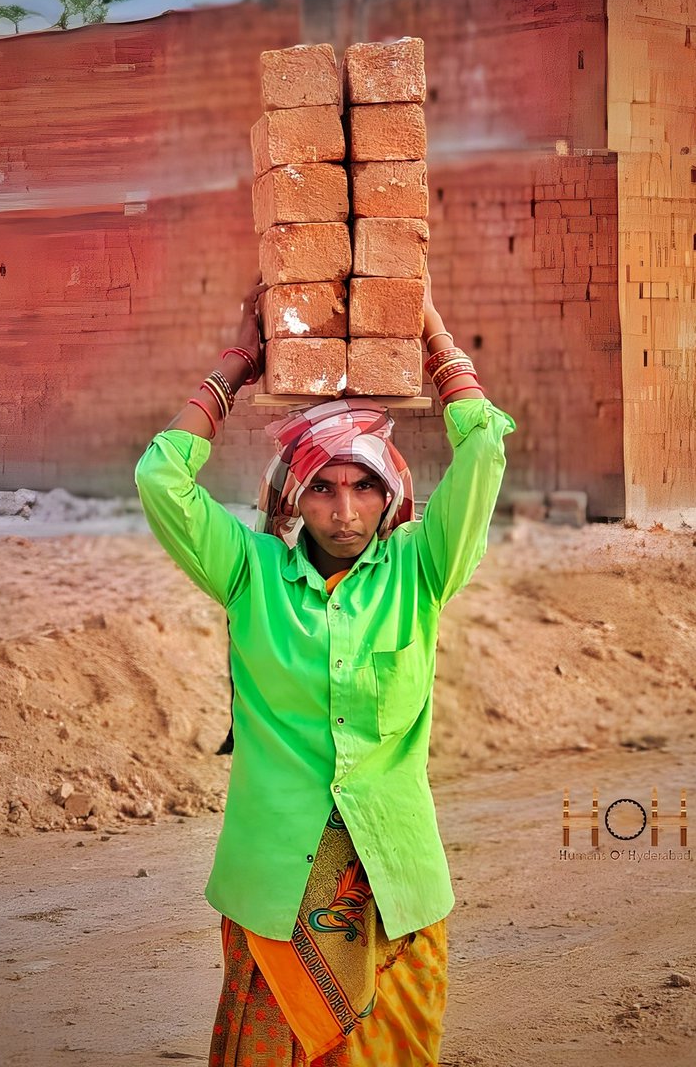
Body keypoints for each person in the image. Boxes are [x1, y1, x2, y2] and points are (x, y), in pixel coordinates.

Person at [134, 268, 516, 1066]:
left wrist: (433, 338)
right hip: (276, 888)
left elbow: (484, 447)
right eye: (324, 490)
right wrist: (235, 366)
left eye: (363, 488)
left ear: (389, 496)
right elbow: (159, 479)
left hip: (394, 882)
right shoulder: (250, 574)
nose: (345, 511)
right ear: (294, 502)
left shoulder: (422, 571)